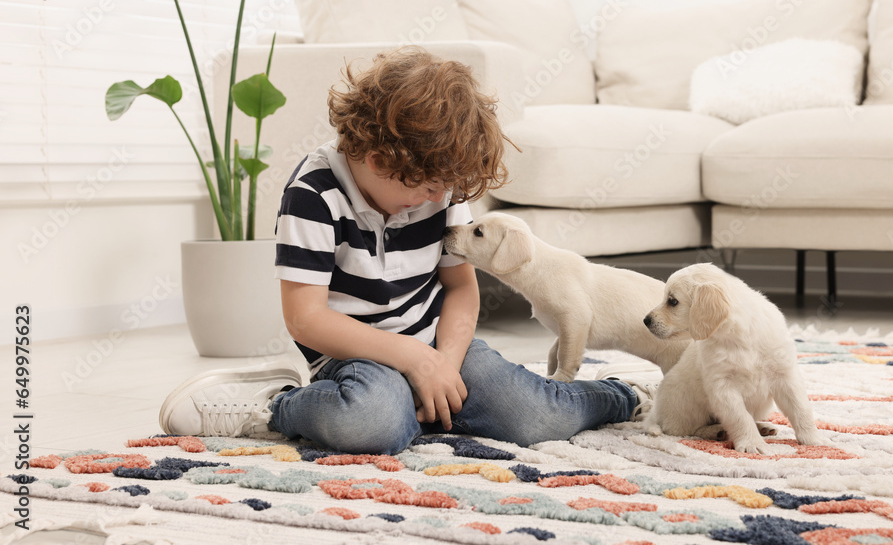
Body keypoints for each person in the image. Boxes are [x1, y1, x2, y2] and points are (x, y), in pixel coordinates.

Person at [159, 46, 657, 454]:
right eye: (427, 190)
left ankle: (622, 393)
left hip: (439, 345)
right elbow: (306, 319)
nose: (440, 201)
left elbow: (460, 288)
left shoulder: (440, 189)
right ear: (378, 160)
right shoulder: (312, 196)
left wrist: (442, 360)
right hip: (353, 356)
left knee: (531, 417)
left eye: (447, 190)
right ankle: (276, 406)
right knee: (371, 425)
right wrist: (410, 363)